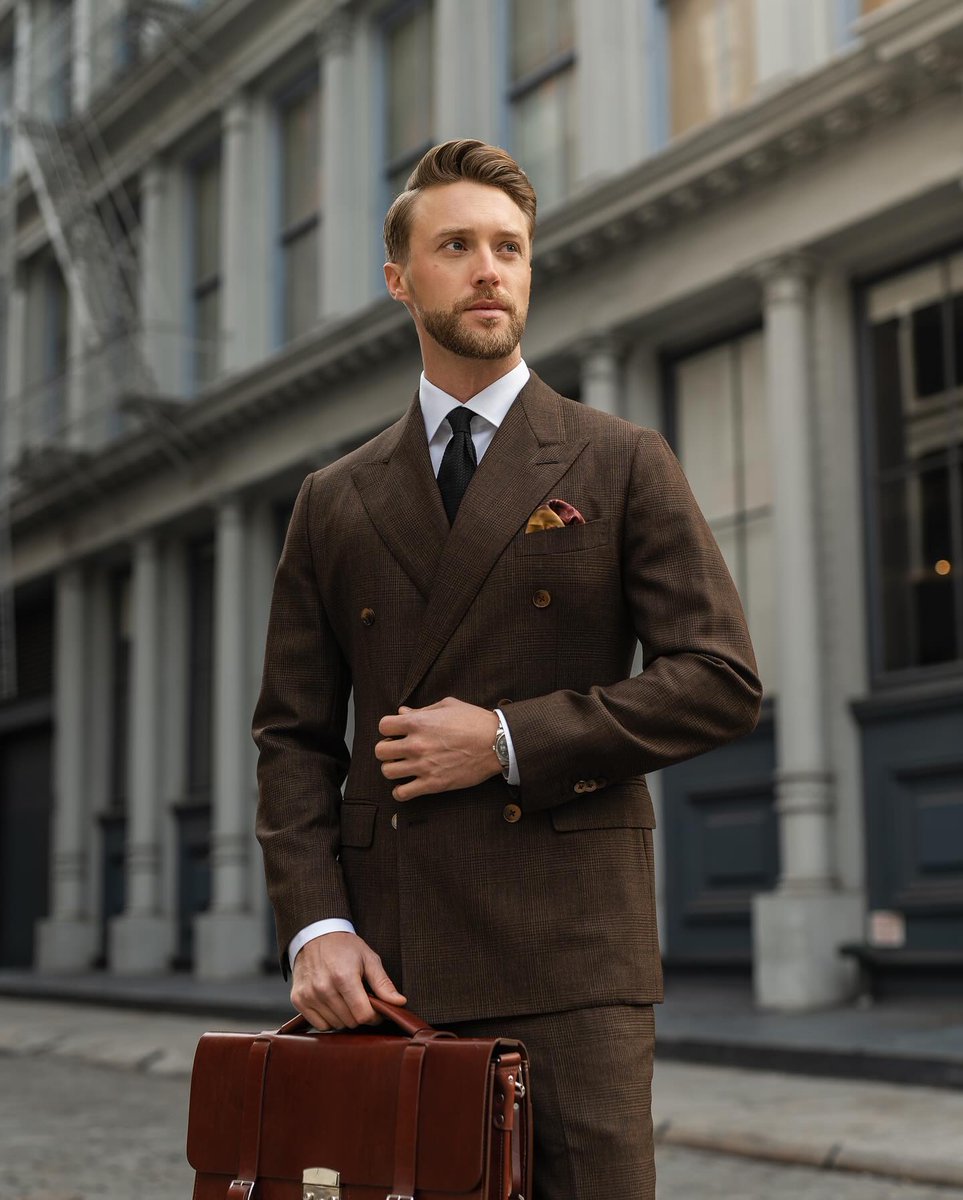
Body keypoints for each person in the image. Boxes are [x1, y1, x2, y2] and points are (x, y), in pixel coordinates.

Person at [253, 138, 761, 1200]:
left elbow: (718, 678)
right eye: (457, 246)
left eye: (510, 248)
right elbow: (294, 736)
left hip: (572, 959)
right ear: (401, 280)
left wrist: (502, 740)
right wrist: (317, 924)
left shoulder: (620, 460)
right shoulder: (333, 498)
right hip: (392, 962)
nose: (490, 269)